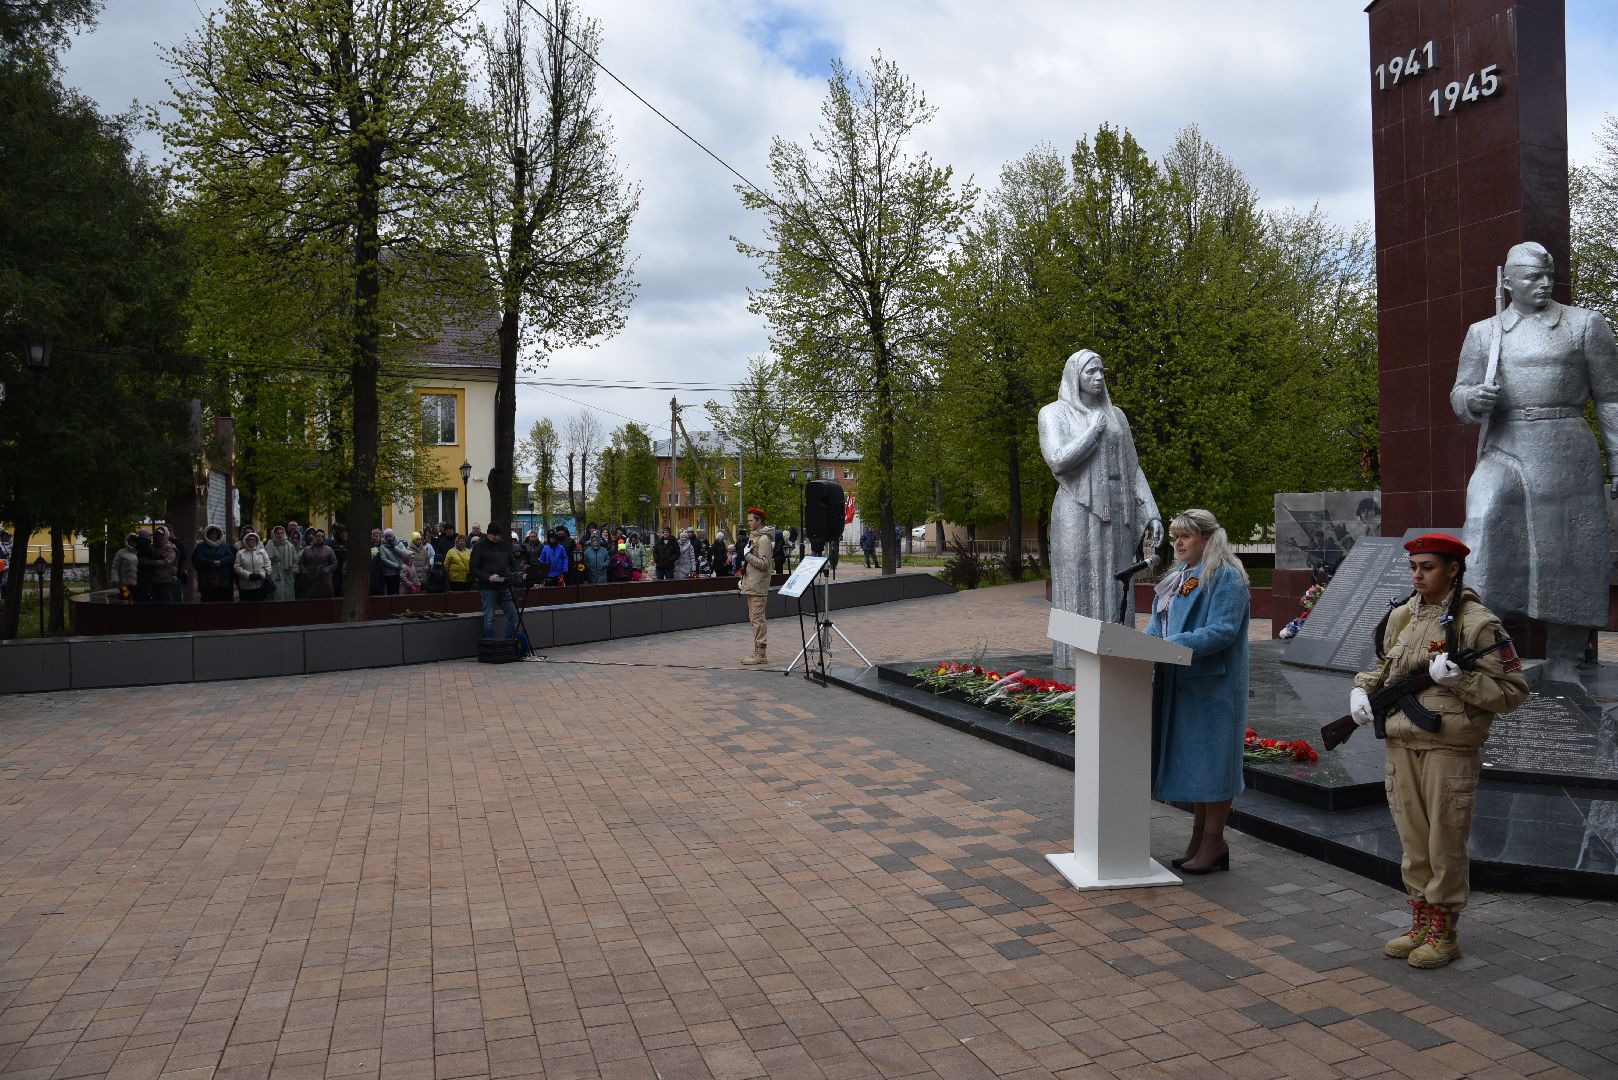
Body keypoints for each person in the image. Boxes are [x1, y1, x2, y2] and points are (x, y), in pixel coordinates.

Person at [1350, 533, 1528, 968]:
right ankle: (1421, 921)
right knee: (1413, 842)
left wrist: (1460, 681)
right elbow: (1382, 667)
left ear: (1452, 569)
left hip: (1448, 747)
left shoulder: (1478, 623)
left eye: (1427, 567)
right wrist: (1360, 691)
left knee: (1445, 841)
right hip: (1400, 742)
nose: (1417, 574)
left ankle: (1445, 932)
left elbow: (1513, 692)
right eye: (1413, 567)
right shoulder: (1401, 616)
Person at [1449, 241, 1618, 683]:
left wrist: (1617, 462)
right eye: (1532, 277)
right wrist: (1473, 399)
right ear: (1508, 283)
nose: (1544, 284)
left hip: (1566, 448)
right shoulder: (1485, 332)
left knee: (1567, 550)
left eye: (1548, 276)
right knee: (1483, 523)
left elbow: (1612, 399)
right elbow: (1459, 392)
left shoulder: (1584, 325)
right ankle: (1480, 645)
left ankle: (1564, 659)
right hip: (1506, 445)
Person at [1039, 349, 1163, 669]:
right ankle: (1074, 658)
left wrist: (1150, 510)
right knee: (1078, 582)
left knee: (1116, 581)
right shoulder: (1053, 413)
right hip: (1076, 511)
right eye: (1089, 372)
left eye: (1100, 372)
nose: (1097, 378)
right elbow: (1057, 459)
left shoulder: (1117, 416)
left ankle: (1118, 656)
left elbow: (1133, 468)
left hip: (1118, 511)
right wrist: (1092, 431)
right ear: (1074, 377)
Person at [1145, 509, 1250, 876]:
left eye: (1185, 536)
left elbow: (1223, 630)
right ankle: (1199, 838)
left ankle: (1214, 841)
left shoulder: (1227, 577)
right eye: (1175, 536)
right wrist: (1140, 646)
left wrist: (1169, 645)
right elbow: (1156, 624)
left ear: (1206, 538)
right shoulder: (1178, 577)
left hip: (1214, 687)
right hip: (1183, 685)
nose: (1177, 542)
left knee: (1214, 765)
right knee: (1198, 765)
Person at [470, 520, 520, 640]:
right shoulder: (479, 547)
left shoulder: (504, 545)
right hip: (487, 588)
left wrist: (518, 572)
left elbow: (512, 562)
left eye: (499, 535)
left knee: (513, 615)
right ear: (488, 534)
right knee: (489, 618)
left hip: (504, 586)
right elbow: (473, 569)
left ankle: (509, 643)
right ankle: (491, 644)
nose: (497, 537)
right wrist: (488, 577)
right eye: (495, 535)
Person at [738, 508, 774, 665]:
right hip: (752, 584)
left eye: (751, 520)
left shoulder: (763, 540)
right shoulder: (754, 538)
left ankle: (761, 654)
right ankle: (757, 651)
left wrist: (748, 556)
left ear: (759, 521)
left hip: (759, 586)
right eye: (748, 520)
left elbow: (765, 564)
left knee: (758, 620)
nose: (749, 522)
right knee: (754, 619)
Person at [191, 525, 236, 602]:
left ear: (218, 535)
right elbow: (198, 558)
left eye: (215, 534)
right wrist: (211, 562)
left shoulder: (224, 546)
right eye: (211, 533)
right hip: (206, 579)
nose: (213, 535)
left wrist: (221, 562)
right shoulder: (201, 546)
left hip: (222, 580)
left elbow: (231, 557)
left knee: (222, 602)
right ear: (207, 534)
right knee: (208, 602)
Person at [144, 526, 182, 603]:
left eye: (161, 534)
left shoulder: (170, 548)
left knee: (165, 602)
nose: (158, 536)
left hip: (166, 581)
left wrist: (150, 562)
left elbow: (167, 562)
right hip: (155, 580)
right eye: (157, 534)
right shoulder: (153, 547)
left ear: (166, 535)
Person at [296, 530, 337, 598]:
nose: (319, 538)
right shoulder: (307, 549)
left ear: (324, 539)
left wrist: (326, 570)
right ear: (315, 537)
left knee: (325, 600)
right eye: (318, 536)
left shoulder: (328, 550)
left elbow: (334, 563)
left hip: (324, 579)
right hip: (310, 579)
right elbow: (300, 563)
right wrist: (305, 571)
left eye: (322, 536)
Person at [235, 531, 271, 600]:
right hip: (245, 586)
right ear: (245, 540)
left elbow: (268, 564)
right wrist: (248, 575)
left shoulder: (262, 552)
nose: (250, 541)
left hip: (260, 585)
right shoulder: (240, 553)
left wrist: (261, 574)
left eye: (252, 539)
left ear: (256, 541)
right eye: (248, 539)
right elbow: (237, 567)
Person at [266, 525, 298, 601]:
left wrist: (292, 571)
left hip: (287, 575)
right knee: (276, 597)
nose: (280, 535)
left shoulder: (290, 546)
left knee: (288, 596)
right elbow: (266, 562)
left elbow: (294, 561)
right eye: (277, 533)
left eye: (281, 533)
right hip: (274, 575)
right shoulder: (269, 546)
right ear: (274, 534)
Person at [111, 533, 140, 602]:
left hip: (137, 583)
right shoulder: (121, 552)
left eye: (135, 542)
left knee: (136, 601)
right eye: (131, 541)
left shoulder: (139, 552)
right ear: (128, 541)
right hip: (124, 584)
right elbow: (115, 567)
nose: (133, 543)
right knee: (125, 600)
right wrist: (115, 579)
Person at [376, 529, 404, 595]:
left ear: (393, 536)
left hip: (401, 573)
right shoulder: (382, 547)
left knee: (399, 592)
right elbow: (384, 559)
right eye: (386, 537)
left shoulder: (400, 543)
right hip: (389, 573)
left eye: (390, 536)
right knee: (390, 593)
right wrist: (396, 566)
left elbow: (404, 554)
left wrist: (395, 547)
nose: (388, 538)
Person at [329, 524, 348, 597]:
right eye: (342, 533)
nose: (344, 535)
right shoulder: (332, 545)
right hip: (336, 574)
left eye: (346, 532)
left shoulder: (350, 544)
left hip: (347, 575)